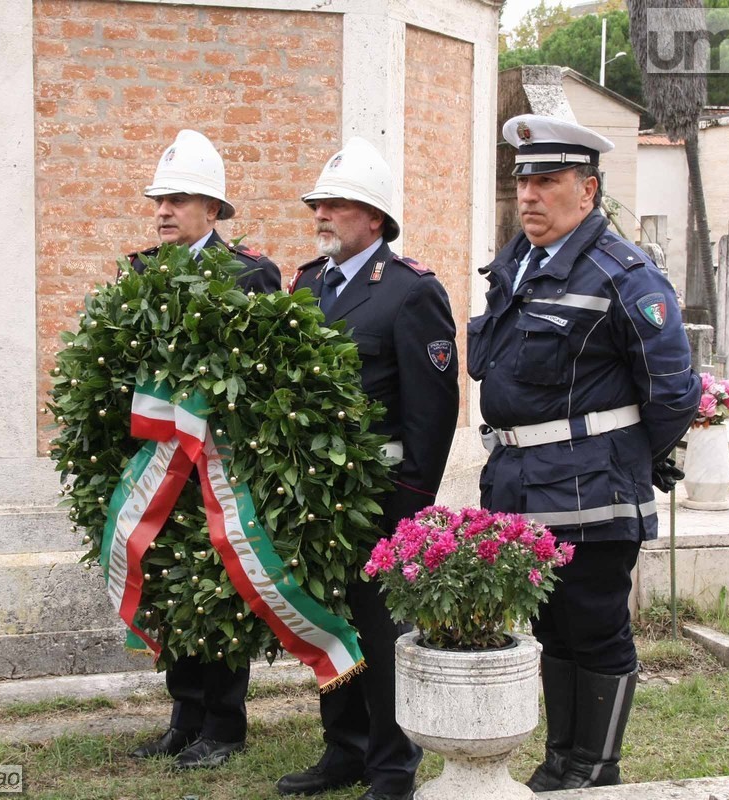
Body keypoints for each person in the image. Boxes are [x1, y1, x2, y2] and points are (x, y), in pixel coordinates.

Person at [468, 113, 700, 790]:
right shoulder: (515, 263)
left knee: (595, 627)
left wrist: (621, 460)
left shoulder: (622, 274)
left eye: (548, 180)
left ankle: (594, 770)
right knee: (553, 631)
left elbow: (673, 390)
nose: (530, 196)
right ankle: (559, 761)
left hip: (592, 490)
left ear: (589, 191)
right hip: (520, 483)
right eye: (523, 181)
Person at [276, 137, 459, 800]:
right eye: (318, 204)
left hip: (383, 496)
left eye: (338, 205)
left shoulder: (409, 292)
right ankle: (344, 748)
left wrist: (411, 506)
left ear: (375, 218)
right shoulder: (307, 284)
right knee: (330, 626)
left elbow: (432, 412)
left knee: (382, 638)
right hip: (319, 498)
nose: (321, 213)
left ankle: (390, 766)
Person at [127, 129, 281, 768]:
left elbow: (267, 374)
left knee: (220, 589)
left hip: (222, 465)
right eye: (160, 199)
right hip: (161, 465)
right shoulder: (139, 271)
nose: (164, 210)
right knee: (171, 585)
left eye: (180, 199)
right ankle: (185, 714)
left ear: (213, 209)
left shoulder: (252, 274)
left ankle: (225, 723)